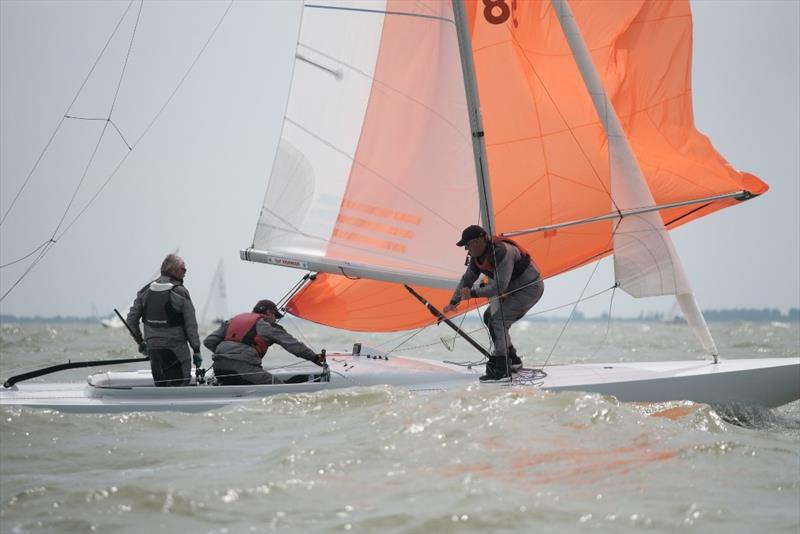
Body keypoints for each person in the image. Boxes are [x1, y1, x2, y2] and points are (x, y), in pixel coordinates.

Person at [443, 225, 544, 382]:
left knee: (498, 321)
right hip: (512, 290)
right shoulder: (477, 257)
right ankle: (513, 360)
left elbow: (499, 286)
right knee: (488, 316)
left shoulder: (502, 252)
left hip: (529, 288)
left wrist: (473, 294)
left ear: (478, 242)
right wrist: (453, 302)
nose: (467, 251)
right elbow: (467, 280)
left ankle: (502, 371)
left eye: (467, 246)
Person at [203, 299, 324, 385]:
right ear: (269, 313)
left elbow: (209, 341)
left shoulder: (233, 320)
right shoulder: (267, 326)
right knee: (280, 388)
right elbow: (294, 346)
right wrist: (315, 358)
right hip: (242, 369)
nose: (276, 321)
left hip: (219, 369)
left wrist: (227, 354)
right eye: (275, 317)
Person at [127, 254, 202, 387]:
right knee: (180, 387)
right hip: (176, 351)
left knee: (161, 386)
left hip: (154, 350)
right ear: (174, 271)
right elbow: (191, 325)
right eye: (183, 270)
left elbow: (131, 320)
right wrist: (196, 350)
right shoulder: (181, 293)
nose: (185, 274)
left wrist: (140, 342)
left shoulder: (144, 291)